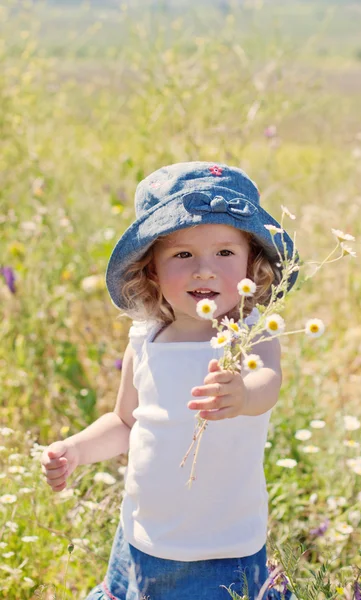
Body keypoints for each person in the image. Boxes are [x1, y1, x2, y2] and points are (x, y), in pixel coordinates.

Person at [41, 162, 299, 600]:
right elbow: (125, 423)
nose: (204, 270)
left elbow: (268, 385)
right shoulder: (146, 337)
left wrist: (241, 394)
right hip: (141, 537)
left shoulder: (252, 334)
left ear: (252, 265)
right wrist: (77, 449)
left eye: (225, 253)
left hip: (220, 548)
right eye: (183, 255)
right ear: (152, 271)